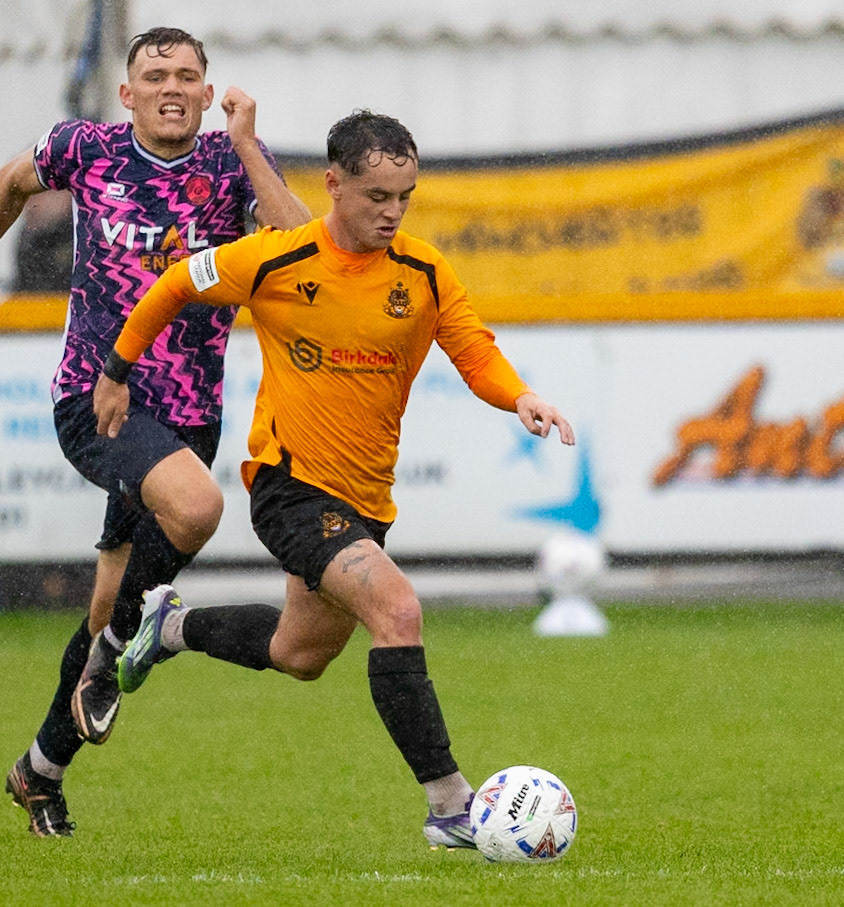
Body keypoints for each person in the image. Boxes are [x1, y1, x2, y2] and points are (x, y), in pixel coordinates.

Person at [92, 110, 575, 849]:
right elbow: (175, 286)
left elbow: (473, 349)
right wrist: (117, 370)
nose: (391, 212)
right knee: (398, 609)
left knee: (300, 653)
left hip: (364, 498)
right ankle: (450, 806)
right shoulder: (277, 258)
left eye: (404, 196)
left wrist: (521, 397)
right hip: (289, 487)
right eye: (376, 195)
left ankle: (170, 626)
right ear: (334, 185)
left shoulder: (421, 270)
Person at [0, 26, 310, 837]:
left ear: (208, 96)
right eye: (154, 75)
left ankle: (39, 770)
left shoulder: (229, 161)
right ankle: (123, 651)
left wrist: (245, 148)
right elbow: (7, 183)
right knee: (199, 508)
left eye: (186, 76)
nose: (170, 87)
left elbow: (300, 247)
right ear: (127, 93)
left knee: (107, 601)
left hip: (189, 413)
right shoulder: (86, 149)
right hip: (93, 399)